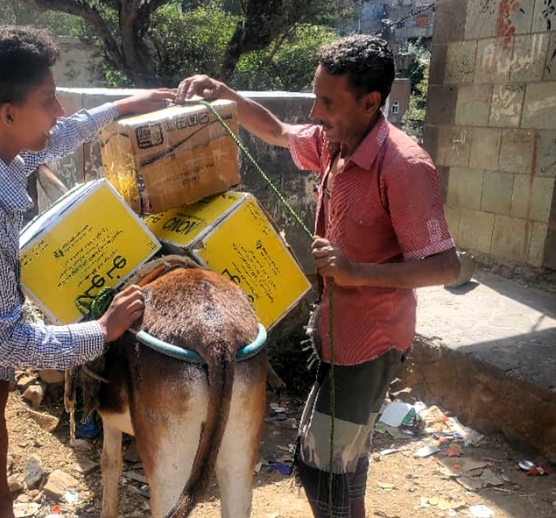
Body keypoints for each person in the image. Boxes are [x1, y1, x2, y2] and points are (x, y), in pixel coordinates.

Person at [177, 35, 460, 518]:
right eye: (315, 95)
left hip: (371, 342)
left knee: (322, 464)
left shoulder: (404, 165)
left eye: (327, 101)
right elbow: (279, 132)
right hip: (335, 332)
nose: (314, 111)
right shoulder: (336, 141)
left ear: (371, 102)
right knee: (342, 458)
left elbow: (446, 267)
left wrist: (355, 273)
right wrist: (227, 94)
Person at [0, 26, 175, 518]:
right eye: (49, 100)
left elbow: (54, 139)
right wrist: (101, 330)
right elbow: (4, 344)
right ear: (9, 113)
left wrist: (122, 107)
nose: (59, 112)